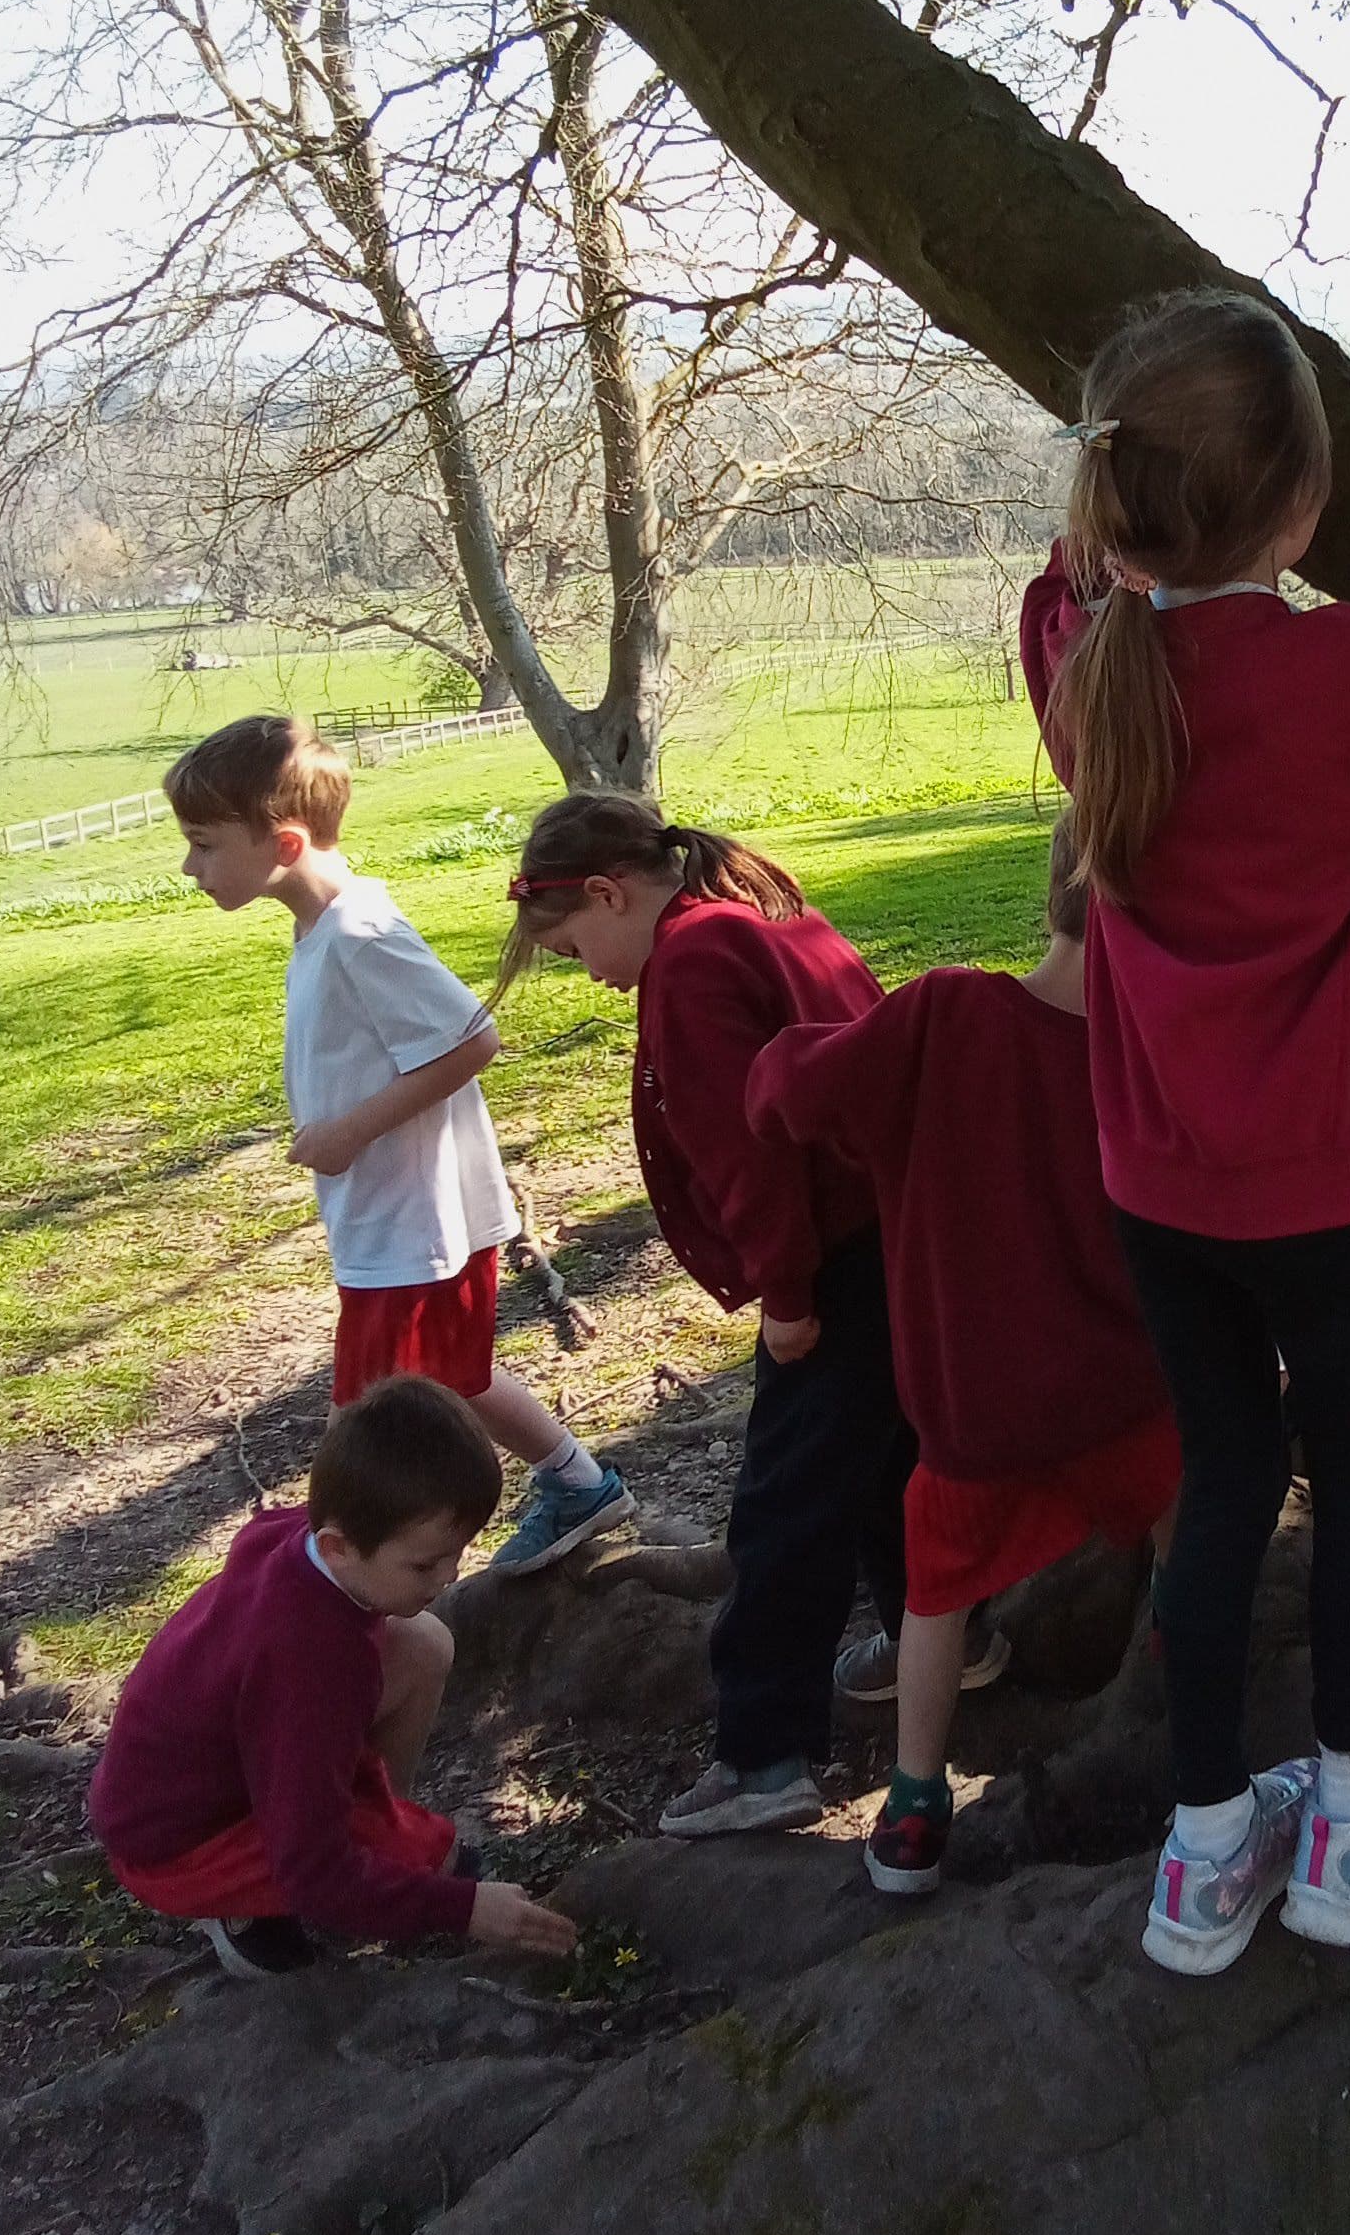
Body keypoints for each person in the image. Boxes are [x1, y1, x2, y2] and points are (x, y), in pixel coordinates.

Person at [1023, 288, 1350, 1976]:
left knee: (1226, 1477)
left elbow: (1078, 607)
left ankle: (1205, 1844)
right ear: (1304, 504)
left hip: (1161, 1186)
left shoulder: (1093, 681)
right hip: (1317, 1182)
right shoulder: (1342, 666)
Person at [748, 811, 1179, 1898]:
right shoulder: (1162, 1052)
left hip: (975, 1412)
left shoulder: (948, 1013)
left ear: (1051, 900)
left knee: (935, 1594)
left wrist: (772, 1060)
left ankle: (913, 1801)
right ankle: (1184, 1665)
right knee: (1189, 1500)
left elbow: (794, 1092)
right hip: (1129, 1391)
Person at [495, 794, 915, 1839]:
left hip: (836, 1258)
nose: (589, 970)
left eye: (577, 945)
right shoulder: (758, 908)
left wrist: (786, 1295)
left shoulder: (693, 962)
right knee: (878, 1462)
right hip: (892, 1231)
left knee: (783, 1503)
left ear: (611, 891)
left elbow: (750, 1145)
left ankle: (766, 1753)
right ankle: (936, 1640)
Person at [163, 715, 630, 1576]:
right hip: (397, 1224)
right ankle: (580, 1483)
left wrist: (348, 1131)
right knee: (456, 1377)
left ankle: (348, 1578)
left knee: (365, 1420)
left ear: (285, 841)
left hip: (417, 1228)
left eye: (202, 844)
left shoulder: (358, 932)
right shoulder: (323, 929)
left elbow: (472, 1040)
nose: (190, 866)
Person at [89, 1375, 577, 1976]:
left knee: (424, 1644)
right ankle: (242, 1910)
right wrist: (464, 1911)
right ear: (339, 1546)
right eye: (424, 1563)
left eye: (460, 1552)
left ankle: (372, 1835)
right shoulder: (309, 1666)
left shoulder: (312, 1542)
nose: (450, 1576)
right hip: (182, 1842)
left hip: (240, 1766)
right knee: (436, 1875)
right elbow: (316, 1872)